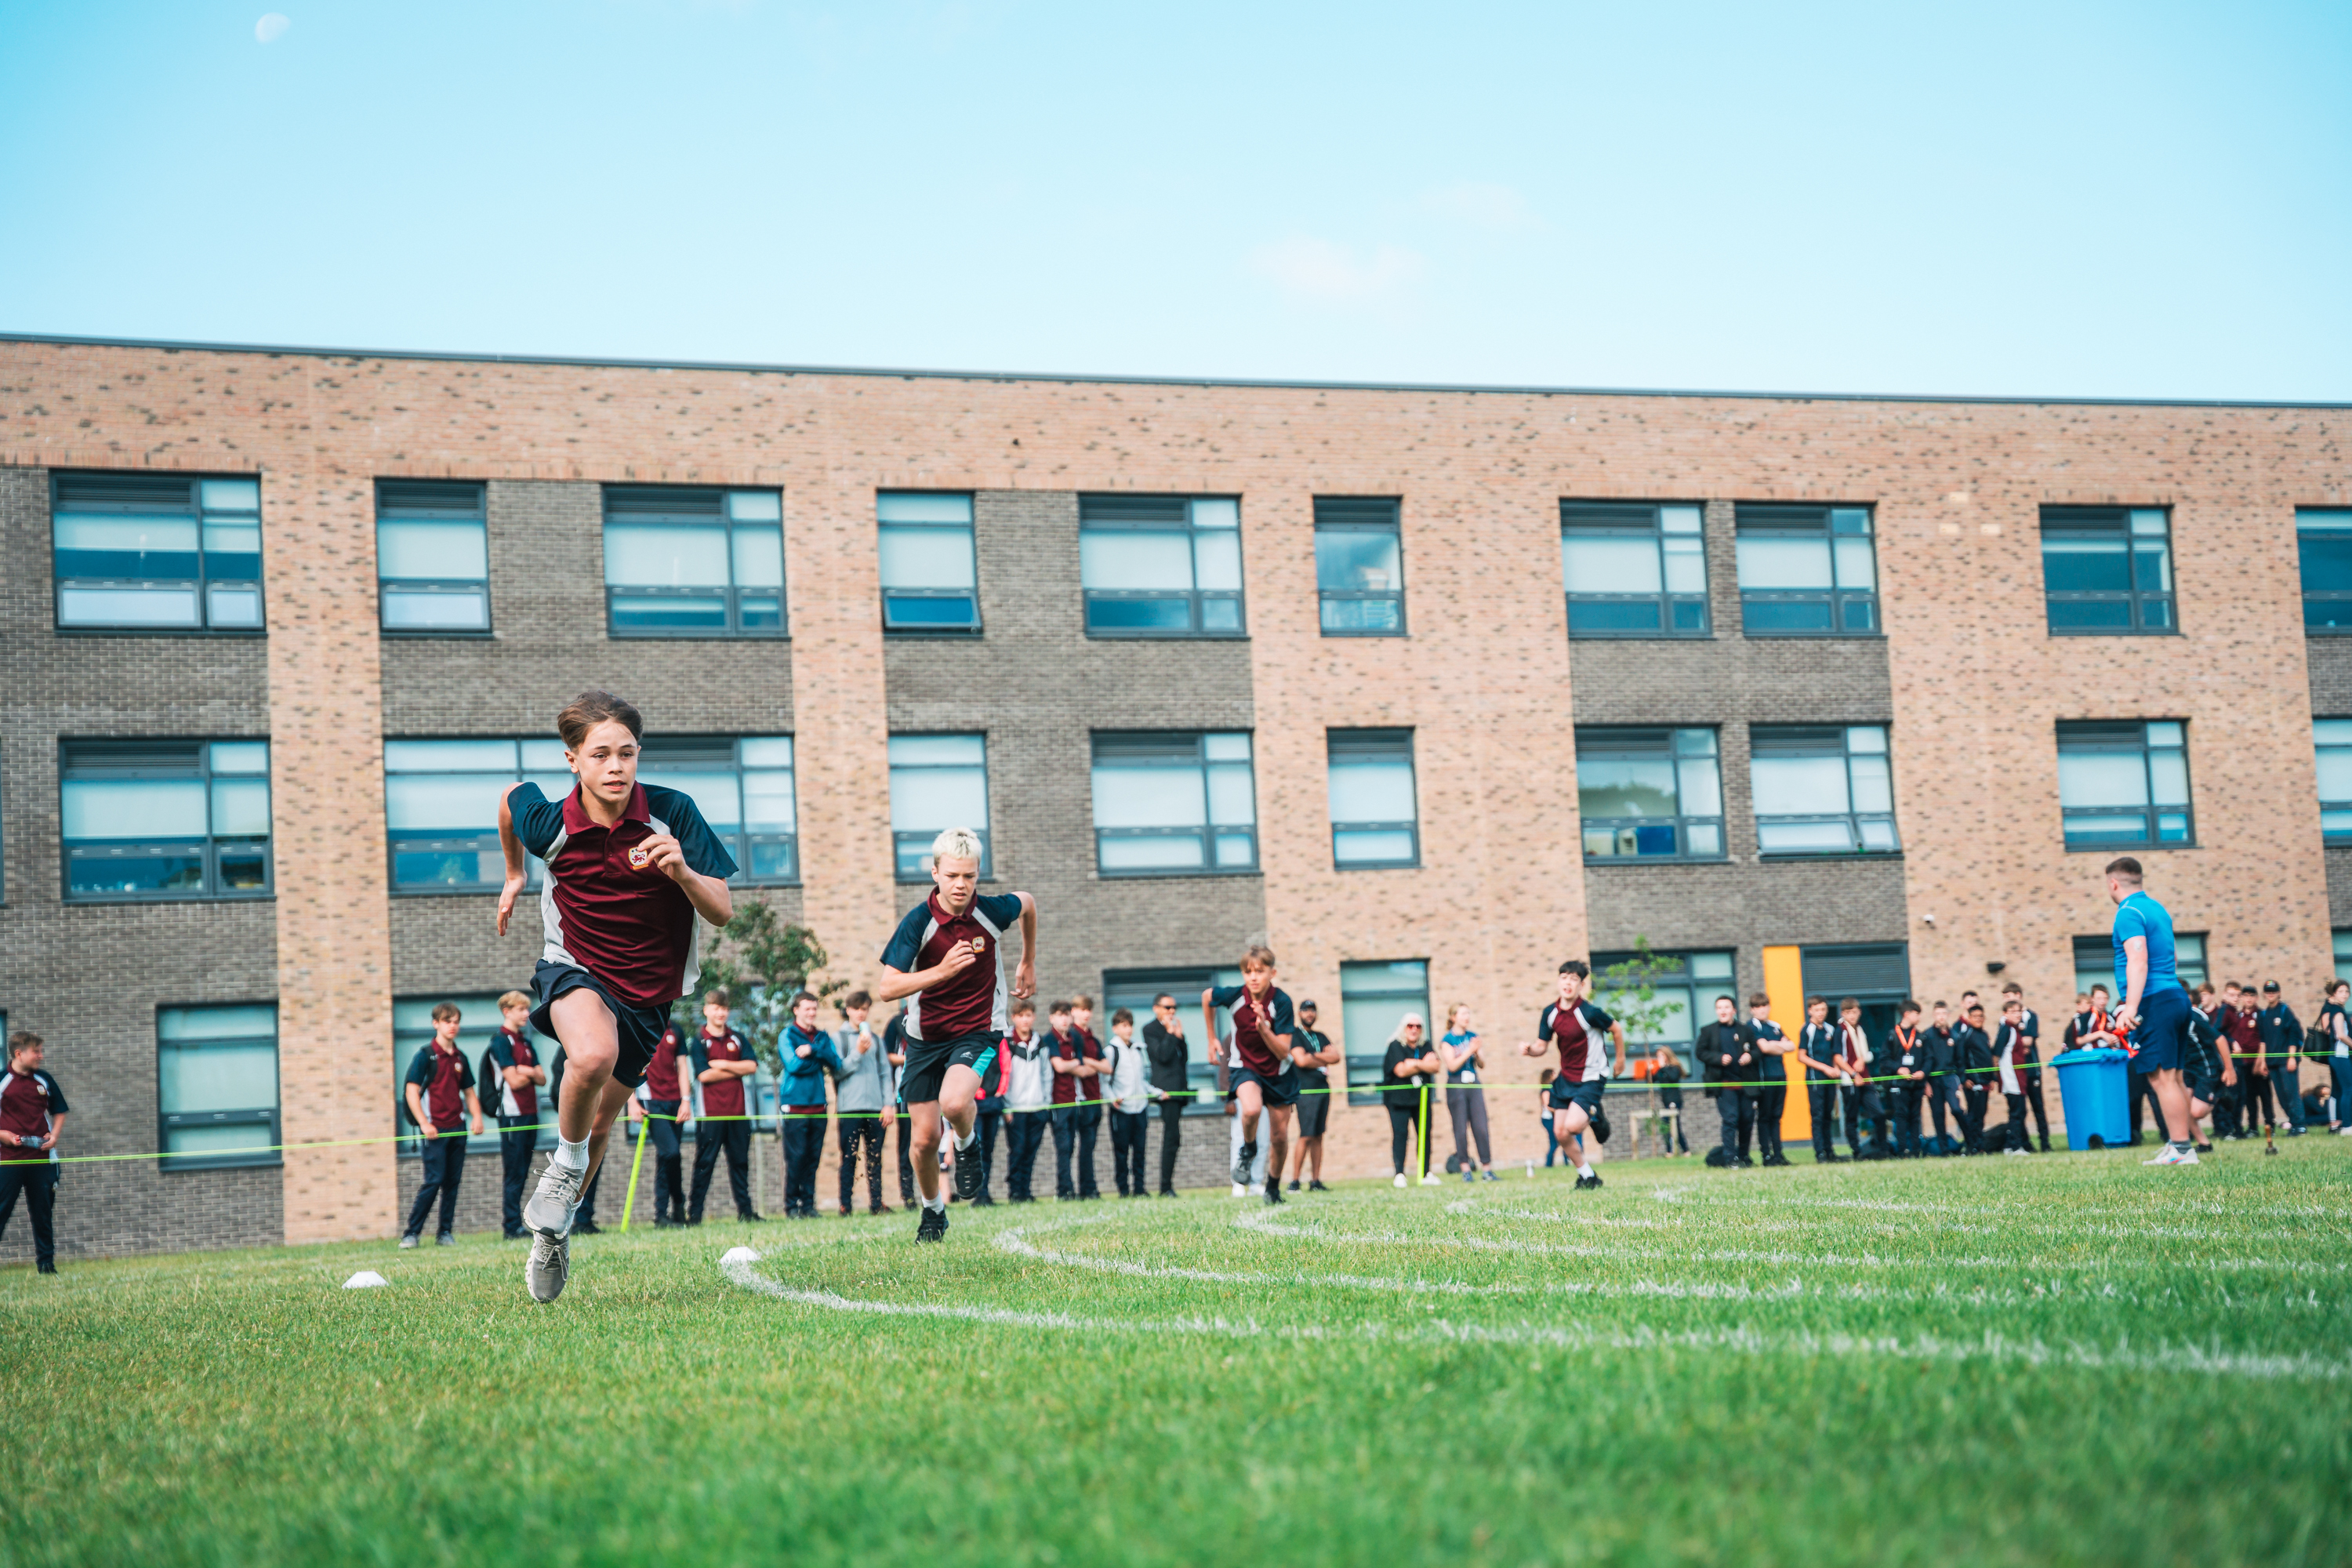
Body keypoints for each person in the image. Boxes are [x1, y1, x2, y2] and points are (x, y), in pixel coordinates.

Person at [501, 690, 738, 1302]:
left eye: (626, 754)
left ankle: (554, 1234)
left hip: (649, 993)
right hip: (572, 967)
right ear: (572, 760)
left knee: (602, 1120)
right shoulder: (549, 823)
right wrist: (515, 874)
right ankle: (563, 1171)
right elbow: (509, 800)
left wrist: (683, 872)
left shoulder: (672, 812)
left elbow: (723, 914)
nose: (615, 766)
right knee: (590, 1055)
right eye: (600, 754)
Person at [877, 826, 1036, 1241]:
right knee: (923, 1141)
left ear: (978, 874)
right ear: (935, 874)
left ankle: (967, 1144)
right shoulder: (918, 922)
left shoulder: (992, 911)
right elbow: (887, 987)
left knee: (954, 1101)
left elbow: (1029, 904)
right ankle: (933, 1213)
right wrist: (940, 972)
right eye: (952, 876)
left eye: (968, 876)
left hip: (978, 1031)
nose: (961, 884)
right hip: (924, 1039)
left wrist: (1028, 961)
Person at [2102, 856, 2199, 1165]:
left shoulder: (2127, 913)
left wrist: (2129, 1006)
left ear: (2113, 883)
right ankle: (2179, 1146)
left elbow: (2138, 959)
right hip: (2176, 997)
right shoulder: (2157, 909)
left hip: (2155, 1002)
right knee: (2176, 1078)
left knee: (2162, 1079)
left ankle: (2182, 1150)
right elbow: (2170, 957)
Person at [1205, 946, 1300, 1207]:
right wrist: (1212, 1037)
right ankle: (1248, 1148)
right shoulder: (1236, 995)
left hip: (1279, 1073)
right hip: (1245, 1066)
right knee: (1251, 1109)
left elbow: (1283, 1052)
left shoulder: (1281, 1002)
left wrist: (1264, 1029)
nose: (1254, 977)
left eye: (1260, 971)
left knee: (1279, 1137)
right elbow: (1207, 995)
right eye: (1248, 972)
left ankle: (1272, 1186)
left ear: (1273, 972)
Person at [1519, 960, 1627, 1191]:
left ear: (1581, 985)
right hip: (1566, 1078)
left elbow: (1616, 1029)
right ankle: (1587, 1175)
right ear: (1558, 981)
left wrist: (1620, 1060)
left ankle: (1595, 1113)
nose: (1568, 983)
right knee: (1560, 1132)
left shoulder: (1589, 1012)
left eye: (1574, 979)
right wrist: (1530, 1051)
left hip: (1591, 1076)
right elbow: (1542, 1046)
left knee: (1574, 1126)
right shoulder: (1550, 1013)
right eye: (1564, 977)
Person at [401, 1002, 486, 1247]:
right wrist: (424, 1123)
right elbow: (411, 1092)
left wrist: (477, 1117)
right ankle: (411, 1233)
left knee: (452, 1182)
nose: (453, 1026)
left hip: (457, 1127)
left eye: (456, 1021)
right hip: (434, 1130)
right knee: (433, 1180)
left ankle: (444, 1232)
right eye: (448, 1021)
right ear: (436, 1023)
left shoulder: (460, 1057)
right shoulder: (425, 1055)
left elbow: (469, 1093)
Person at [690, 988, 762, 1223]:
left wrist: (721, 1064)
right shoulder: (699, 1041)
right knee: (705, 1164)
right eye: (716, 1008)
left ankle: (746, 1212)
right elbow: (704, 1076)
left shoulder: (738, 1038)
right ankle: (695, 1215)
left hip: (739, 1113)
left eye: (724, 1009)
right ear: (706, 1010)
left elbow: (752, 1067)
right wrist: (736, 1069)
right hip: (710, 1114)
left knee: (740, 1162)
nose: (720, 1013)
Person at [0, 1031, 67, 1275]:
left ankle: (46, 1265)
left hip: (43, 1160)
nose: (41, 1056)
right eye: (36, 1051)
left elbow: (59, 1111)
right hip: (7, 1162)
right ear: (19, 1054)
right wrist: (3, 1136)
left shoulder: (44, 1079)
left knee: (42, 1214)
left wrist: (55, 1136)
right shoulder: (2, 1081)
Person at [483, 992, 550, 1240]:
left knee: (523, 1170)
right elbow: (512, 1080)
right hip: (511, 1115)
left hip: (531, 1113)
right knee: (513, 1171)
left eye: (527, 1009)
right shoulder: (500, 1041)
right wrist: (527, 1073)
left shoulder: (526, 1042)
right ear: (507, 1011)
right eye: (521, 1009)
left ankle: (517, 1224)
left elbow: (542, 1078)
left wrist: (526, 1070)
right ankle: (511, 1226)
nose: (526, 1014)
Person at [771, 990, 840, 1219]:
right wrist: (821, 1059)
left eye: (814, 1009)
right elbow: (793, 1066)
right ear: (796, 1010)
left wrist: (814, 1051)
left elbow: (836, 1063)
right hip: (795, 1107)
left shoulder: (821, 1037)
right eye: (807, 1009)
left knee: (813, 1158)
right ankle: (791, 1206)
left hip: (819, 1106)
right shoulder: (787, 1035)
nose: (811, 1013)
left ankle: (808, 1206)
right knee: (796, 1157)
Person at [833, 990, 893, 1215]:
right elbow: (838, 1071)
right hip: (849, 1108)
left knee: (875, 1158)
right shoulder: (838, 1038)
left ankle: (877, 1203)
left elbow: (885, 1074)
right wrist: (858, 1052)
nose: (861, 1013)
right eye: (857, 1008)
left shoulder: (876, 1040)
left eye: (865, 1009)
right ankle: (845, 1205)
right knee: (849, 1157)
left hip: (876, 1108)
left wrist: (888, 1104)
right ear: (848, 1010)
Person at [1045, 1001, 1103, 1200]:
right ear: (1052, 1018)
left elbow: (1081, 1066)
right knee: (1063, 1147)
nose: (1064, 1019)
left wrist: (1073, 1065)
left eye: (1066, 1015)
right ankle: (1065, 1190)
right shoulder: (1049, 1039)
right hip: (1058, 1103)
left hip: (1076, 1100)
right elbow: (1060, 1067)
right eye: (1060, 1015)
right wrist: (1075, 1065)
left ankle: (1078, 1189)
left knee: (1073, 1147)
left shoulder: (1074, 1038)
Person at [637, 1018, 691, 1227]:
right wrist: (631, 1101)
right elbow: (626, 1064)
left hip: (675, 1101)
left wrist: (686, 1101)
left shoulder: (676, 1029)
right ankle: (677, 1201)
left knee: (667, 1157)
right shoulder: (640, 1024)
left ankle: (663, 1214)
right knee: (671, 1152)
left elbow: (682, 1066)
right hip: (651, 1101)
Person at [1285, 999, 1342, 1191]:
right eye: (1305, 1011)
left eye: (1312, 1010)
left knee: (1318, 1135)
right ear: (1299, 1013)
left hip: (1323, 1089)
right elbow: (1300, 1060)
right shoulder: (1295, 1035)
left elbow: (1336, 1057)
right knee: (1306, 1135)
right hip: (1305, 1091)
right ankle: (1295, 1181)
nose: (1309, 1014)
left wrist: (1313, 1056)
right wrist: (1320, 1058)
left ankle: (1315, 1181)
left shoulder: (1321, 1036)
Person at [1102, 1008, 1159, 1198]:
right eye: (1124, 1026)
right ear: (1115, 1028)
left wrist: (1156, 1093)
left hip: (1140, 1109)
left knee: (1140, 1151)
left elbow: (1141, 1081)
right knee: (1121, 1152)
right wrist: (1113, 1099)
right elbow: (1104, 1083)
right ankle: (1123, 1189)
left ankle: (1140, 1188)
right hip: (1121, 1111)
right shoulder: (1110, 1052)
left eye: (1130, 1025)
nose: (1128, 1029)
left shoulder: (1138, 1050)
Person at [1697, 994, 1759, 1167]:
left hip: (1746, 1085)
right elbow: (1700, 1053)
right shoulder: (1708, 1031)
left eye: (1726, 1007)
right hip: (1724, 1085)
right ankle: (1730, 1159)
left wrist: (1749, 1056)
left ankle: (1744, 1157)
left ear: (1734, 1010)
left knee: (1747, 1120)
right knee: (1731, 1120)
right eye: (1719, 1008)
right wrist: (1718, 1058)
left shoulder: (1745, 1030)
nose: (1722, 1011)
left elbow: (1756, 1051)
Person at [1438, 1004, 1497, 1183]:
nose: (1467, 1017)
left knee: (1481, 1127)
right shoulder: (1447, 1040)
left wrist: (1477, 1053)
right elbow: (1452, 1066)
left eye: (1468, 1013)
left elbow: (1482, 1064)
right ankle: (1465, 1169)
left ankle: (1487, 1170)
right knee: (1460, 1128)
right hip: (1456, 1086)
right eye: (1463, 1013)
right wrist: (1469, 1050)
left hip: (1473, 1083)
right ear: (1454, 1017)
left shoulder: (1473, 1037)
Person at [1000, 1002, 1051, 1202]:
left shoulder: (1041, 1044)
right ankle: (1015, 1191)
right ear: (1014, 1018)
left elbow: (1047, 1075)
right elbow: (1003, 1076)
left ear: (1034, 1017)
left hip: (1037, 1107)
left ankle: (1026, 1191)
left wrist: (1046, 1103)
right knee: (1018, 1150)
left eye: (1029, 1015)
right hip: (1015, 1108)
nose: (1025, 1020)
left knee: (1031, 1151)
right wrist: (1007, 1106)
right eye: (1021, 1016)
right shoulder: (1006, 1044)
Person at [1381, 1014, 1441, 1186]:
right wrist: (1423, 1063)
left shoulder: (1426, 1045)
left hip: (1421, 1099)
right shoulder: (1395, 1046)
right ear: (1404, 1028)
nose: (1414, 1029)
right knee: (1401, 1135)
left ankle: (1425, 1172)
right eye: (1410, 1026)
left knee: (1424, 1134)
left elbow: (1436, 1066)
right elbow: (1400, 1070)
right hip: (1398, 1100)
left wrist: (1413, 1064)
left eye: (1418, 1026)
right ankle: (1399, 1174)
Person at [1142, 993, 1191, 1196]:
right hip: (1165, 1091)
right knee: (1171, 1137)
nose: (1172, 1011)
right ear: (1156, 1008)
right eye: (1167, 1007)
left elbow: (1184, 1059)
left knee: (1175, 1138)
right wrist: (1171, 1034)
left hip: (1179, 1089)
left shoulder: (1175, 1030)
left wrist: (1180, 1038)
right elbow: (1162, 1056)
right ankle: (1165, 1187)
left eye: (1174, 1007)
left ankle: (1167, 1185)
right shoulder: (1150, 1029)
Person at [1998, 982, 2051, 1152]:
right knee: (2019, 1109)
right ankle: (2023, 1144)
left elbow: (2028, 1041)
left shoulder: (2030, 1016)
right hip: (2014, 1071)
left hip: (2030, 1068)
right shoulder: (2005, 1021)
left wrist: (2021, 1042)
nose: (2007, 1001)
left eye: (2009, 997)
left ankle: (2045, 1143)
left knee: (2037, 1107)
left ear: (2018, 996)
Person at [1835, 998, 1887, 1158]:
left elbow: (1865, 1054)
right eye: (1848, 1013)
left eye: (1855, 1012)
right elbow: (1838, 1057)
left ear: (1859, 1013)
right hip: (1849, 1080)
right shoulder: (1841, 1031)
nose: (1852, 1016)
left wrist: (1862, 1060)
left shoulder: (1860, 1030)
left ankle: (1882, 1147)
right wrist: (1853, 1074)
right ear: (1843, 1014)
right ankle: (1856, 1151)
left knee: (1879, 1113)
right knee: (1852, 1117)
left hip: (1866, 1079)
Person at [1795, 996, 1844, 1164]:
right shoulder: (1806, 1030)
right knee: (1818, 1116)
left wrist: (1836, 1068)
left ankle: (1830, 1151)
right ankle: (1820, 1153)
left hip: (1830, 1080)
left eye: (1823, 1010)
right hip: (1815, 1079)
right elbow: (1801, 1056)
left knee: (1828, 1116)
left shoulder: (1831, 1029)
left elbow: (1835, 1054)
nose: (1820, 1013)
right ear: (1810, 1011)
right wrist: (1824, 1068)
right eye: (1817, 1010)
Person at [1745, 994, 1791, 1167]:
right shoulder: (1752, 1026)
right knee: (1764, 1117)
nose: (1762, 1009)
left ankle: (1779, 1154)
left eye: (1764, 1005)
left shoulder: (1775, 1026)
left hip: (1781, 1075)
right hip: (1765, 1077)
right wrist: (1780, 1046)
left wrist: (1774, 1046)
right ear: (1752, 1010)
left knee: (1776, 1117)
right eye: (1757, 1007)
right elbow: (1763, 1048)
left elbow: (1792, 1046)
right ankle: (1766, 1155)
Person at [2257, 982, 2305, 1137]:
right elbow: (2263, 1040)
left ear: (2279, 993)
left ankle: (2300, 1126)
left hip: (2286, 1061)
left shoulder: (2285, 1011)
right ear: (2264, 994)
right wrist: (2263, 1061)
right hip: (2272, 1063)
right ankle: (2293, 1123)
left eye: (2273, 991)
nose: (2271, 994)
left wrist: (2292, 1057)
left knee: (2291, 1094)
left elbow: (2295, 1035)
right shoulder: (2263, 1015)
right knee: (2282, 1096)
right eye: (2268, 992)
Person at [1918, 1000, 1963, 1156]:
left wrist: (1961, 1081)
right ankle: (1944, 1150)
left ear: (1948, 1015)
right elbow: (1923, 1062)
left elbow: (1960, 1061)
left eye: (1944, 1013)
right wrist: (1925, 1083)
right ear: (1933, 1016)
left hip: (1950, 1078)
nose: (1941, 1017)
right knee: (1938, 1114)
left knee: (1956, 1109)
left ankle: (1971, 1142)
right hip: (1933, 1080)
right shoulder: (1927, 1035)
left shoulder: (1955, 1036)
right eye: (1938, 1014)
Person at [1994, 996, 2035, 1156]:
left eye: (2019, 1011)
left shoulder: (2015, 1030)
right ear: (2005, 1014)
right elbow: (1997, 1052)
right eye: (2013, 1012)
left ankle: (2012, 1145)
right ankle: (2015, 1146)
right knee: (2017, 1112)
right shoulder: (2006, 1029)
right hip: (2012, 1078)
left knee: (2018, 1112)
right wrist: (1996, 1075)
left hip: (2019, 1077)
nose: (2017, 1015)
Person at [2220, 985, 2263, 1140]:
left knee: (2241, 1096)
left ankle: (2237, 1129)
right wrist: (2232, 1042)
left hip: (2240, 1061)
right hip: (2231, 1060)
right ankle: (2228, 1130)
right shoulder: (2224, 1010)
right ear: (2225, 995)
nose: (2235, 998)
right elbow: (2217, 1031)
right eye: (2232, 995)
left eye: (2238, 995)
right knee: (2232, 1096)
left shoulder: (2234, 1012)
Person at [1954, 1002, 1994, 1155]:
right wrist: (1964, 1079)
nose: (1978, 1019)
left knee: (1982, 1114)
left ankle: (1980, 1144)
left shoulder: (1984, 1035)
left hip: (1985, 1082)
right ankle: (1972, 1146)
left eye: (1981, 1016)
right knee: (1973, 1116)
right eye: (1975, 1016)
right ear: (1969, 1018)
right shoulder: (1965, 1036)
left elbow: (1988, 1058)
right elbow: (1960, 1059)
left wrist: (1992, 1078)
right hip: (1972, 1083)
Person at [2320, 979, 2351, 1134]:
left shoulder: (2336, 1009)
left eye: (2347, 991)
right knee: (2349, 1089)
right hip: (2340, 1055)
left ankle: (2338, 1124)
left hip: (2337, 1056)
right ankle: (2347, 1126)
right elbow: (2340, 1035)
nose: (2344, 995)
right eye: (2341, 991)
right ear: (2334, 994)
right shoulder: (2338, 1012)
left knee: (2341, 1089)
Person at [1650, 1046, 1689, 1155]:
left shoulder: (1674, 1067)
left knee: (1672, 1124)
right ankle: (1677, 1151)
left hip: (1675, 1100)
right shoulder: (1661, 1070)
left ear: (1667, 1056)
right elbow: (1651, 1080)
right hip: (1666, 1100)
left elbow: (1673, 1078)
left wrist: (1663, 1067)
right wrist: (1648, 1070)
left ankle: (1680, 1150)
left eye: (1661, 1056)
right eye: (1658, 1056)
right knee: (1668, 1125)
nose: (1659, 1058)